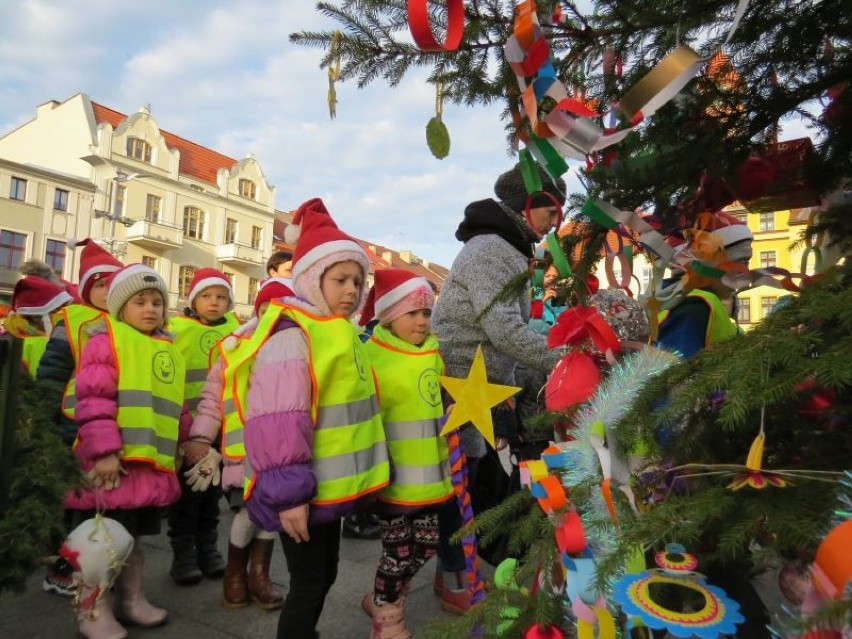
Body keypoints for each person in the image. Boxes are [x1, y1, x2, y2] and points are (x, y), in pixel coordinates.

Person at [236, 197, 389, 639]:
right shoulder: (292, 333)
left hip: (327, 487)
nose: (351, 290)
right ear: (309, 279)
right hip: (300, 492)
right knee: (307, 581)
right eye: (340, 279)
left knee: (323, 575)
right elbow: (279, 421)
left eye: (358, 282)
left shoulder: (341, 332)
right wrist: (288, 496)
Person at [430, 162, 567, 612]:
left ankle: (461, 569)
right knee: (460, 480)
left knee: (473, 480)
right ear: (526, 205)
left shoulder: (511, 249)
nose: (556, 220)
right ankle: (453, 574)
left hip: (485, 383)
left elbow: (510, 331)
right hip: (463, 382)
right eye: (550, 209)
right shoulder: (490, 249)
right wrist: (565, 361)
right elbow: (504, 327)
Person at [64, 264, 189, 639]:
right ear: (121, 308)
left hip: (148, 464)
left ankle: (131, 600)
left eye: (156, 302)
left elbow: (173, 405)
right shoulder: (105, 341)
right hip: (112, 463)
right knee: (101, 541)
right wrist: (104, 452)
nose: (150, 309)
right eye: (140, 302)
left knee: (132, 539)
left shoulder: (165, 348)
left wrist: (180, 444)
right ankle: (92, 610)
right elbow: (94, 399)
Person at [182, 276, 294, 610]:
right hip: (241, 448)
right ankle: (236, 573)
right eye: (270, 309)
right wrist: (201, 437)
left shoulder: (298, 347)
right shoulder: (234, 348)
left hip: (281, 450)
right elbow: (212, 398)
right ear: (259, 311)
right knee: (249, 512)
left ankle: (258, 574)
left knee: (270, 511)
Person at [358, 269, 454, 638]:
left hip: (431, 478)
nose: (421, 321)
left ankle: (384, 597)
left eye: (426, 313)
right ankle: (387, 618)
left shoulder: (434, 355)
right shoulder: (370, 357)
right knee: (396, 553)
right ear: (388, 315)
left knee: (427, 548)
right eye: (412, 313)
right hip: (393, 481)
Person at [36, 238, 123, 596]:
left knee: (96, 505)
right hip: (69, 425)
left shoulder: (125, 322)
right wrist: (42, 421)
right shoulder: (70, 322)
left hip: (106, 427)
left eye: (112, 284)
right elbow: (52, 372)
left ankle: (96, 567)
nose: (106, 292)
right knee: (68, 503)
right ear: (87, 288)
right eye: (99, 285)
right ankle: (61, 569)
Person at [167, 268, 241, 585]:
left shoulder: (238, 332)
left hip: (222, 429)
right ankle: (182, 555)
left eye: (221, 297)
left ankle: (208, 551)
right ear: (193, 299)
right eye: (207, 296)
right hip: (187, 429)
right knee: (187, 496)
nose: (214, 303)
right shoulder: (175, 329)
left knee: (210, 495)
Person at [656, 210, 754, 358]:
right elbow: (676, 375)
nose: (746, 273)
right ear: (702, 266)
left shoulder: (680, 303)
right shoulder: (695, 307)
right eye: (741, 263)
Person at [5, 275, 74, 377]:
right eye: (57, 311)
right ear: (36, 317)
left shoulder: (10, 335)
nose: (62, 316)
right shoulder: (41, 343)